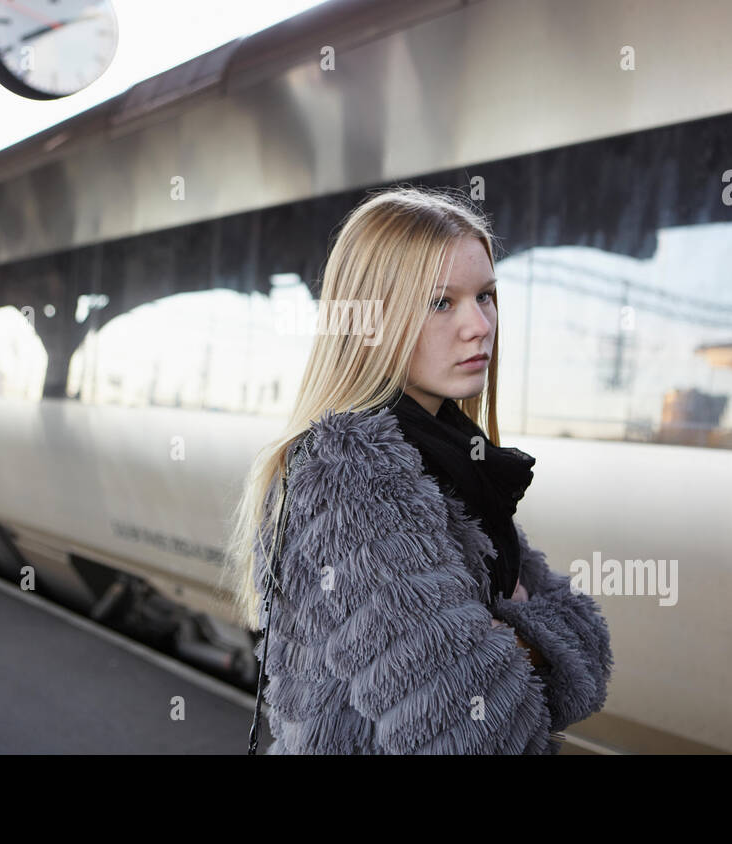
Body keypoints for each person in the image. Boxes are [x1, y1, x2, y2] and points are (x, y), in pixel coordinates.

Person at [222, 184, 613, 754]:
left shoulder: (449, 464)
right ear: (370, 322)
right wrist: (525, 632)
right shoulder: (352, 473)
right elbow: (474, 729)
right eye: (441, 303)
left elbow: (591, 652)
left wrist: (506, 640)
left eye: (486, 296)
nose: (480, 325)